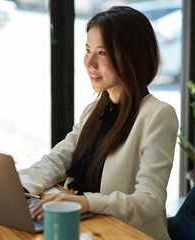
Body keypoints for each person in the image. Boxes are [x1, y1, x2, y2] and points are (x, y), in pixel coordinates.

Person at [18, 6, 178, 240]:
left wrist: (83, 202)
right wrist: (19, 187)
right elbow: (59, 157)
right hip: (88, 228)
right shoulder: (95, 109)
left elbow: (149, 202)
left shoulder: (158, 115)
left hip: (126, 234)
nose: (89, 63)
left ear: (132, 55)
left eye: (102, 53)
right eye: (87, 50)